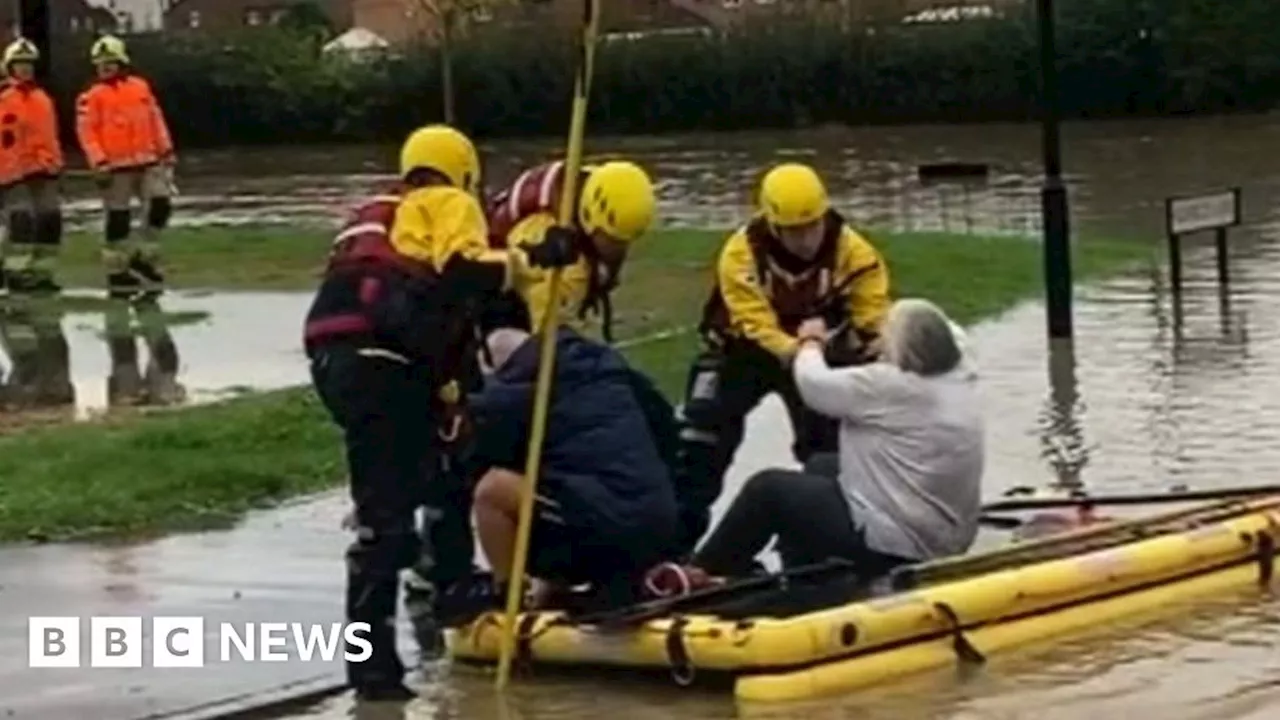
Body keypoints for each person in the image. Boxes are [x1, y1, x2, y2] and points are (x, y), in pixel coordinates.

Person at [303, 124, 577, 700]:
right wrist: (534, 257)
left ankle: (416, 619)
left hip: (333, 360)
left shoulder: (376, 213)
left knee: (409, 491)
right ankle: (405, 640)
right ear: (465, 173)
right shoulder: (447, 202)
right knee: (412, 508)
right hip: (387, 359)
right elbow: (463, 269)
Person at [674, 162, 892, 555]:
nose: (806, 240)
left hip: (818, 353)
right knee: (700, 444)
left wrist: (879, 347)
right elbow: (753, 320)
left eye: (812, 226)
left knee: (830, 451)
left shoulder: (855, 252)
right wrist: (798, 349)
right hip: (744, 352)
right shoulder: (740, 254)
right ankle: (671, 547)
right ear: (773, 225)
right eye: (794, 231)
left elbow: (872, 312)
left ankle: (816, 546)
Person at [688, 298, 984, 578]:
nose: (879, 342)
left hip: (897, 545)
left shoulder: (887, 386)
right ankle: (806, 571)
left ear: (905, 349)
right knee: (821, 465)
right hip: (946, 536)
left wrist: (811, 341)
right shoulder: (960, 370)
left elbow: (813, 384)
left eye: (884, 337)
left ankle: (703, 572)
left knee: (768, 489)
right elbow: (948, 330)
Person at [459, 327, 679, 617]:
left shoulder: (506, 394)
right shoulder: (612, 370)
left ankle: (510, 597)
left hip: (608, 524)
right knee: (562, 486)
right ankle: (562, 584)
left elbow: (476, 465)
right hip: (660, 520)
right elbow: (667, 428)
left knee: (491, 492)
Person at [482, 158, 657, 338]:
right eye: (613, 241)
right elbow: (544, 320)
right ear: (590, 218)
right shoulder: (564, 260)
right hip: (498, 314)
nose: (619, 250)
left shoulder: (586, 194)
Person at [75, 35, 175, 301]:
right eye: (101, 63)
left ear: (122, 62)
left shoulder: (140, 87)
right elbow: (87, 132)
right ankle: (116, 270)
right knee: (118, 219)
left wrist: (165, 148)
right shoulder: (91, 97)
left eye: (110, 62)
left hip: (148, 159)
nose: (106, 67)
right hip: (114, 166)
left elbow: (156, 119)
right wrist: (99, 161)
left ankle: (144, 257)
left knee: (160, 205)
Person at [0, 38, 64, 294]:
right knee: (21, 221)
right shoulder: (4, 98)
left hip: (44, 170)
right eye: (19, 65)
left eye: (28, 64)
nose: (25, 69)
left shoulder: (42, 98)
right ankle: (15, 274)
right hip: (12, 172)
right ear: (9, 67)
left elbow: (51, 135)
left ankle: (42, 273)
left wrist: (57, 164)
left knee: (51, 220)